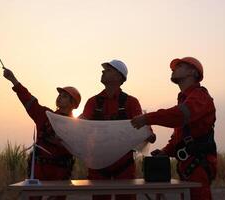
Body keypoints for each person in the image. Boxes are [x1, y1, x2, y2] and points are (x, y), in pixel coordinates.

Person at [131, 57, 217, 200]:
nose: (174, 69)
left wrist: (147, 118)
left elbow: (178, 116)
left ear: (193, 72)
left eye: (180, 66)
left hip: (199, 165)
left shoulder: (200, 97)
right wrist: (165, 152)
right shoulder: (185, 99)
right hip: (189, 166)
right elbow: (180, 136)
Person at [80, 59, 156, 200]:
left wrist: (149, 134)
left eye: (108, 70)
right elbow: (80, 128)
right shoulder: (92, 102)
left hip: (124, 165)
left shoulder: (131, 102)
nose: (103, 71)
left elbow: (142, 125)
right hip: (98, 164)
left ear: (119, 77)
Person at [3, 67, 81, 200]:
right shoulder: (45, 115)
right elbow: (28, 100)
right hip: (40, 168)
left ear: (73, 103)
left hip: (61, 171)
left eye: (64, 96)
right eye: (59, 95)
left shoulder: (77, 127)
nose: (59, 97)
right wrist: (13, 79)